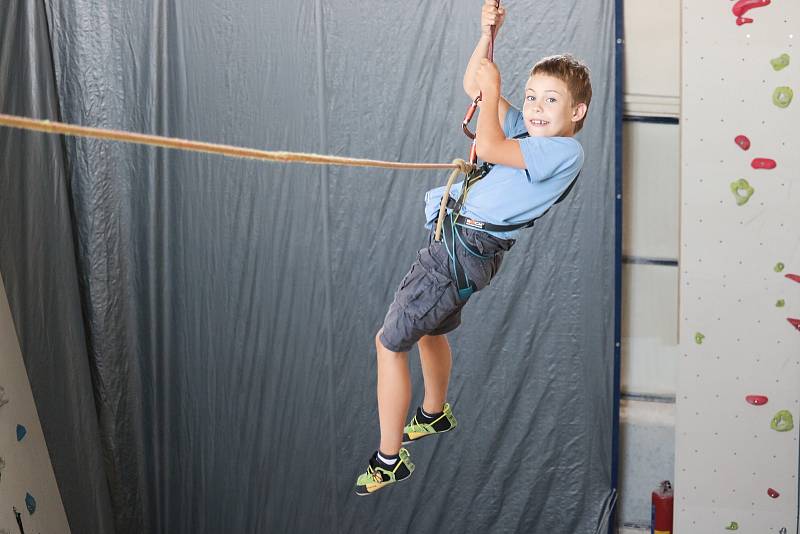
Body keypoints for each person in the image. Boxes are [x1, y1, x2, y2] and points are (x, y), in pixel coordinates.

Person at [355, 0, 592, 496]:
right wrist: (486, 34)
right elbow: (473, 87)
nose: (535, 107)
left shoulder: (563, 151)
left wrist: (495, 93)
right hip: (463, 248)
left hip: (459, 252)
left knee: (387, 342)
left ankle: (388, 458)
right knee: (427, 329)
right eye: (531, 97)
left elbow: (486, 145)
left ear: (577, 111)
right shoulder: (528, 129)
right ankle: (434, 414)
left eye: (551, 100)